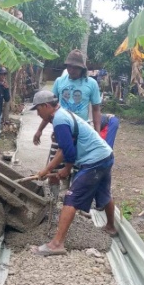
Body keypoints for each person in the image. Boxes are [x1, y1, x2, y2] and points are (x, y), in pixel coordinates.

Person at [28, 90, 117, 256]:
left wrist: (66, 169)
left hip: (94, 160)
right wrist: (48, 170)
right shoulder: (62, 114)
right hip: (105, 155)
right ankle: (111, 227)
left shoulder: (60, 120)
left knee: (71, 198)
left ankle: (56, 244)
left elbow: (68, 151)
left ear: (46, 106)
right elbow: (65, 148)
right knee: (103, 193)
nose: (38, 114)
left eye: (38, 110)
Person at [33, 49, 102, 147]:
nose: (72, 70)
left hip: (82, 130)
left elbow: (96, 110)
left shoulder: (91, 83)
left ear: (82, 68)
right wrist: (40, 130)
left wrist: (97, 133)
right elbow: (50, 109)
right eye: (69, 67)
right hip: (62, 128)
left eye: (75, 67)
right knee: (57, 159)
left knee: (79, 160)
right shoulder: (59, 81)